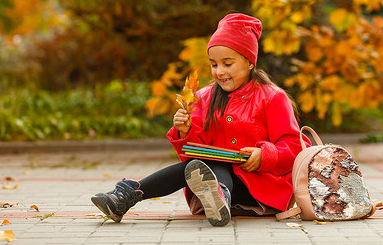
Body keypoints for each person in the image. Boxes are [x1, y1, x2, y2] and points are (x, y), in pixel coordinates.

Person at [91, 13, 309, 227]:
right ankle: (129, 198)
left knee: (210, 162)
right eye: (214, 65)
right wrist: (185, 131)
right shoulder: (204, 97)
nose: (220, 71)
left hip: (259, 188)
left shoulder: (272, 97)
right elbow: (192, 154)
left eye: (227, 63)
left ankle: (131, 192)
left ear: (250, 62)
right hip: (214, 180)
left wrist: (265, 155)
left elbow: (295, 146)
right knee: (201, 162)